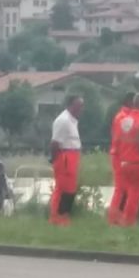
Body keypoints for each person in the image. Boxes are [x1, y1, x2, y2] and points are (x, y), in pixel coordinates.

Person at [112, 92, 139, 227]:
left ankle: (113, 219)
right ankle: (129, 222)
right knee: (135, 194)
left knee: (120, 191)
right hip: (138, 163)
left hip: (124, 162)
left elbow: (118, 140)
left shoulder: (124, 119)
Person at [49, 95, 84, 226]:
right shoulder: (63, 120)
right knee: (63, 189)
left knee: (70, 189)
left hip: (72, 157)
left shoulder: (72, 121)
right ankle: (57, 217)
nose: (81, 108)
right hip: (64, 158)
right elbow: (54, 143)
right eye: (78, 105)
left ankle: (64, 216)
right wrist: (55, 160)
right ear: (71, 105)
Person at [107, 91, 136, 225]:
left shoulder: (126, 116)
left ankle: (119, 217)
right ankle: (114, 218)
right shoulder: (123, 117)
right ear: (130, 102)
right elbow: (124, 138)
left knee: (124, 189)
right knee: (120, 189)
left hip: (122, 155)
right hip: (121, 156)